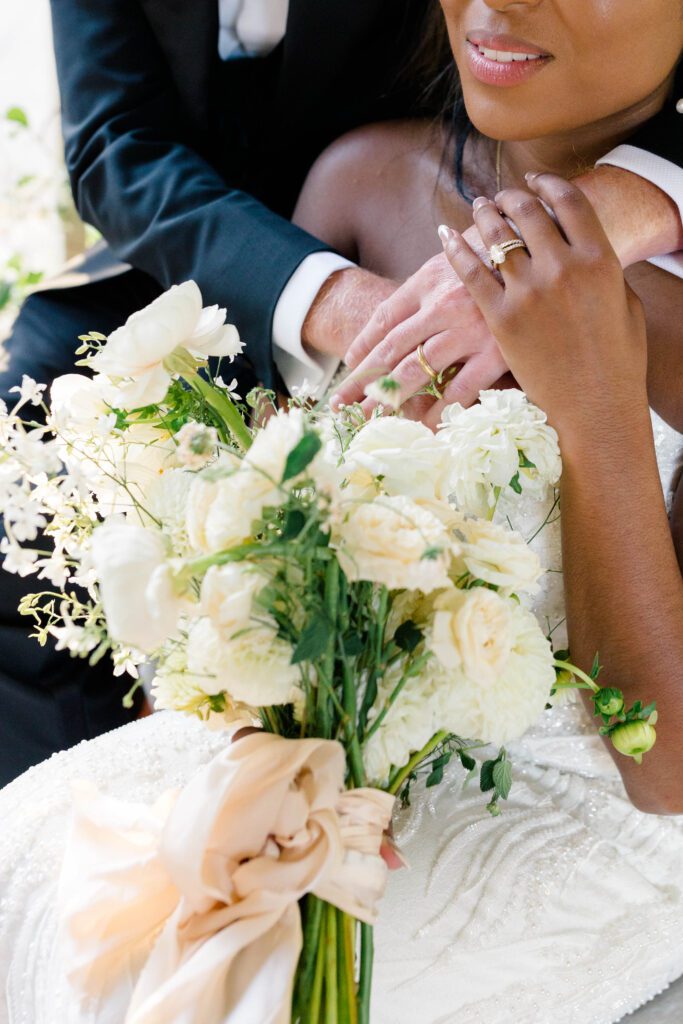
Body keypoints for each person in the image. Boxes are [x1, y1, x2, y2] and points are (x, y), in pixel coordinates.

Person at [0, 0, 682, 785]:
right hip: (213, 257)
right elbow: (116, 143)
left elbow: (661, 762)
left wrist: (592, 398)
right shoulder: (365, 183)